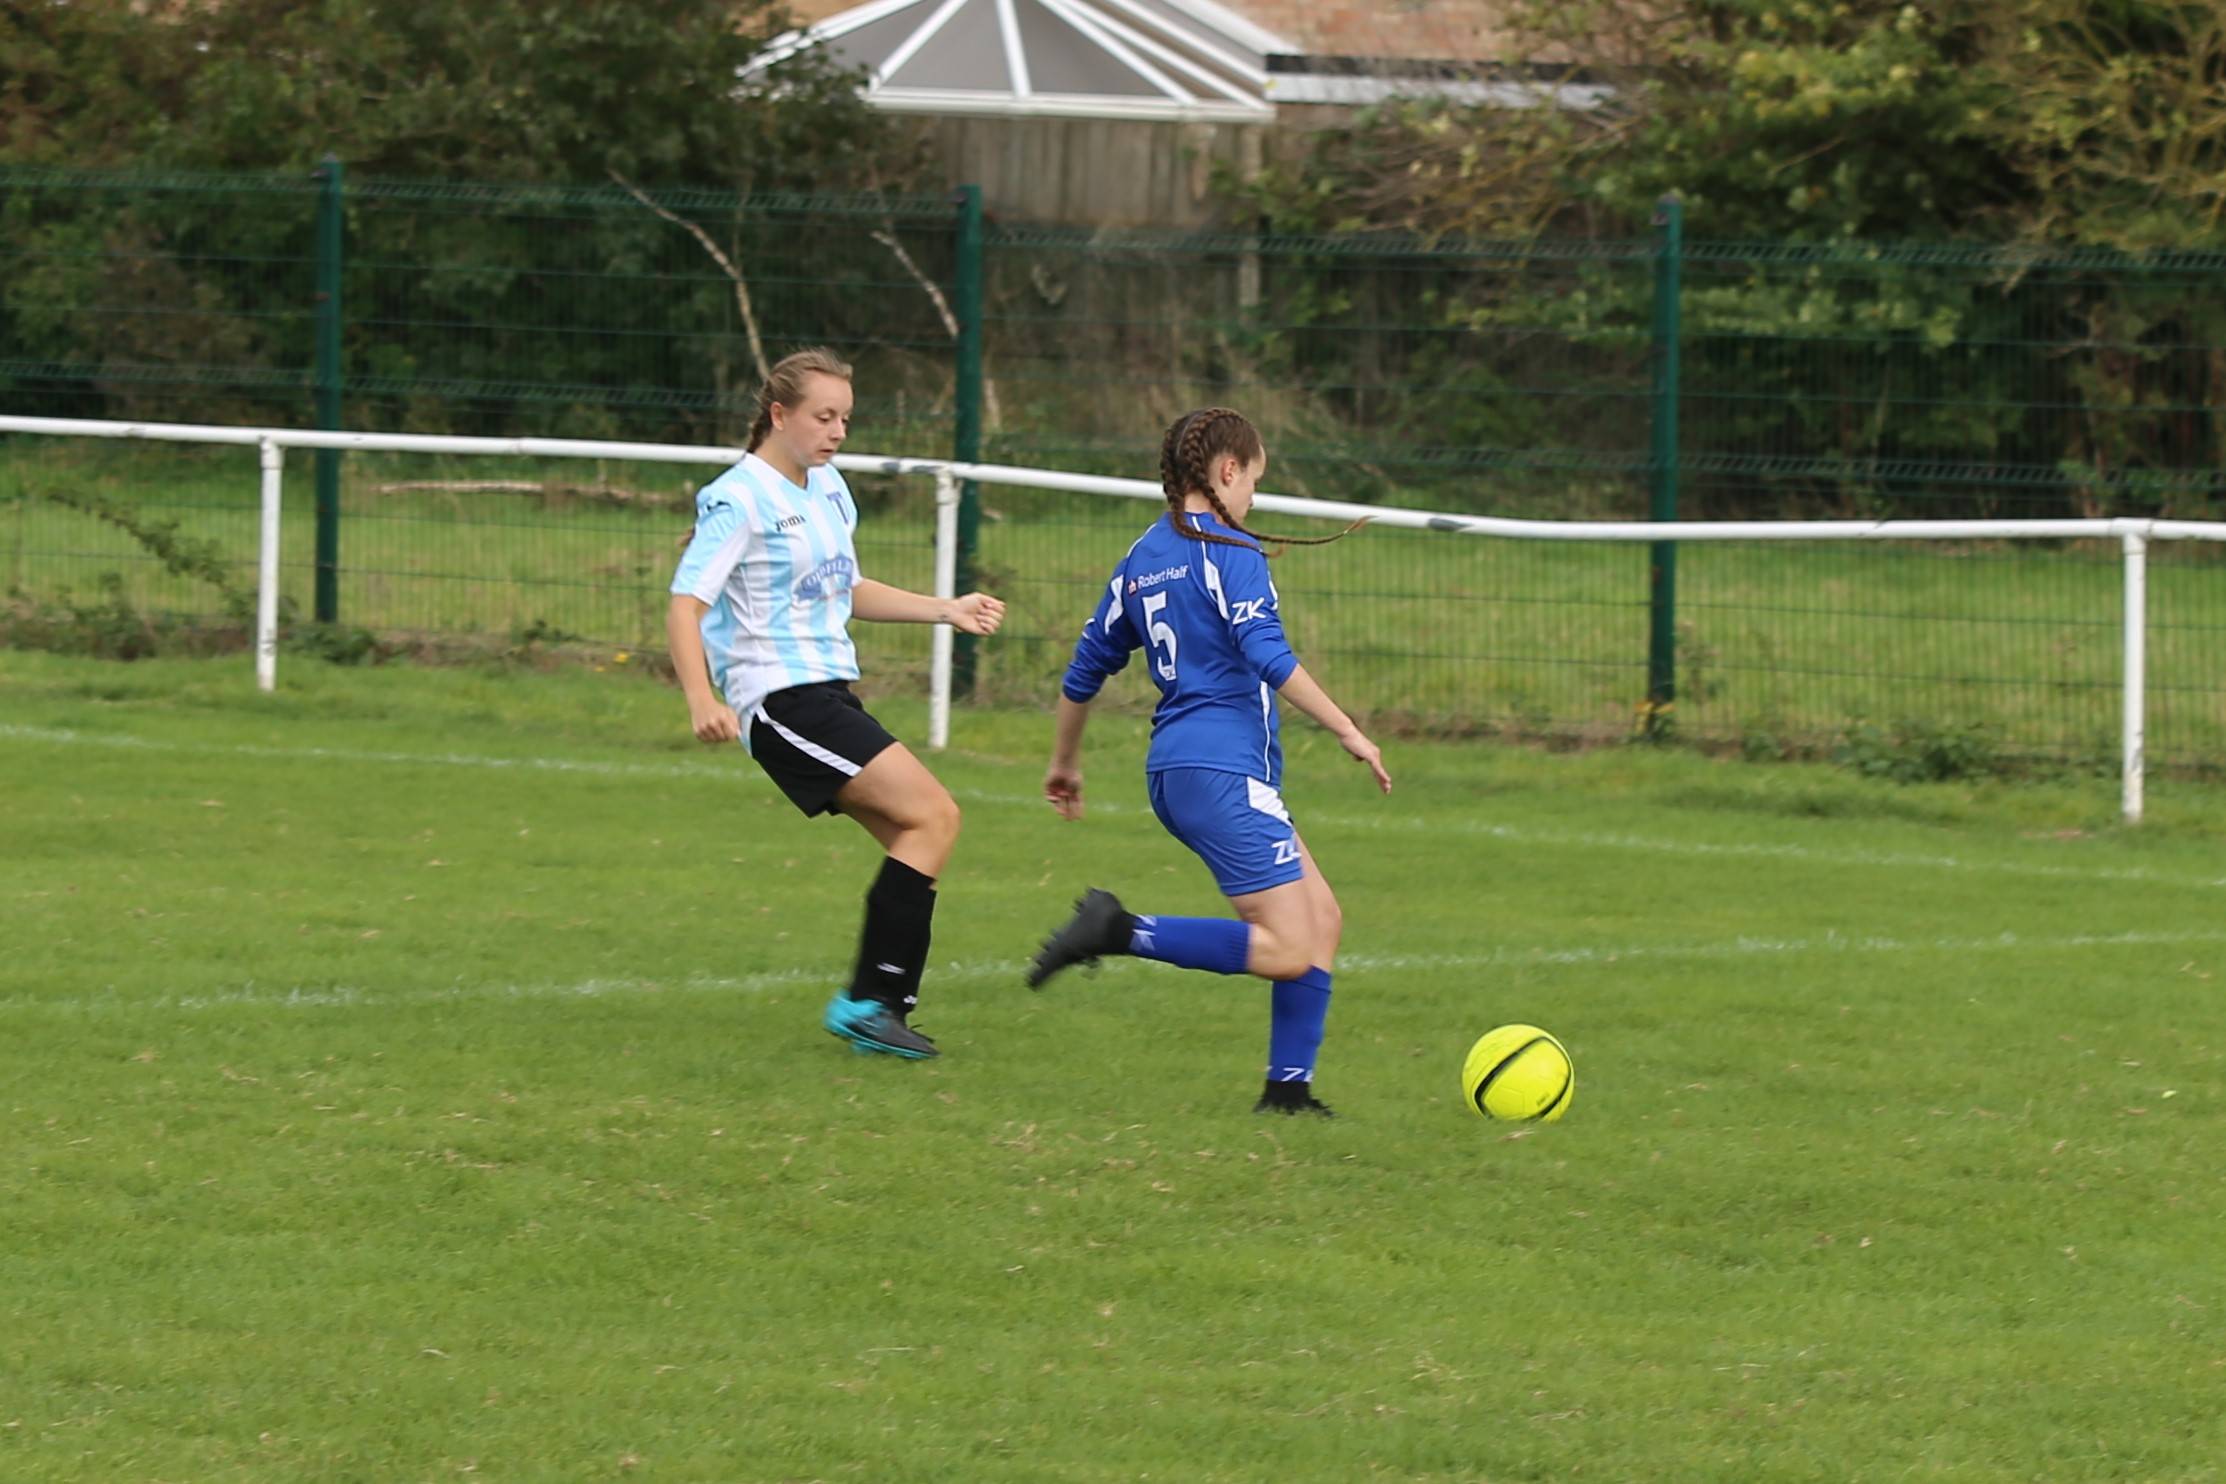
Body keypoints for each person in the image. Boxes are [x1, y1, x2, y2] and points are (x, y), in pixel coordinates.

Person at [1027, 407, 1390, 1116]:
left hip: (1182, 770)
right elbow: (1268, 654)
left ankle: (1288, 1093)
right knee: (1289, 947)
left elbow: (1083, 671)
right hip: (1221, 774)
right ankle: (1119, 929)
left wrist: (1063, 762)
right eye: (1253, 481)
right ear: (1228, 471)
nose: (1253, 498)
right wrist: (1349, 729)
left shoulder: (1142, 555)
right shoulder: (1229, 549)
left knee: (1321, 919)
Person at [667, 347, 1004, 1060]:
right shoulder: (739, 497)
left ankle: (873, 1008)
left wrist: (946, 609)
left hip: (828, 694)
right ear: (779, 414)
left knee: (920, 837)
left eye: (845, 418)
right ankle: (871, 1004)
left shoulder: (828, 488)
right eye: (824, 416)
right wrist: (702, 696)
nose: (838, 430)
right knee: (934, 816)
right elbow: (684, 603)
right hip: (781, 701)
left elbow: (845, 588)